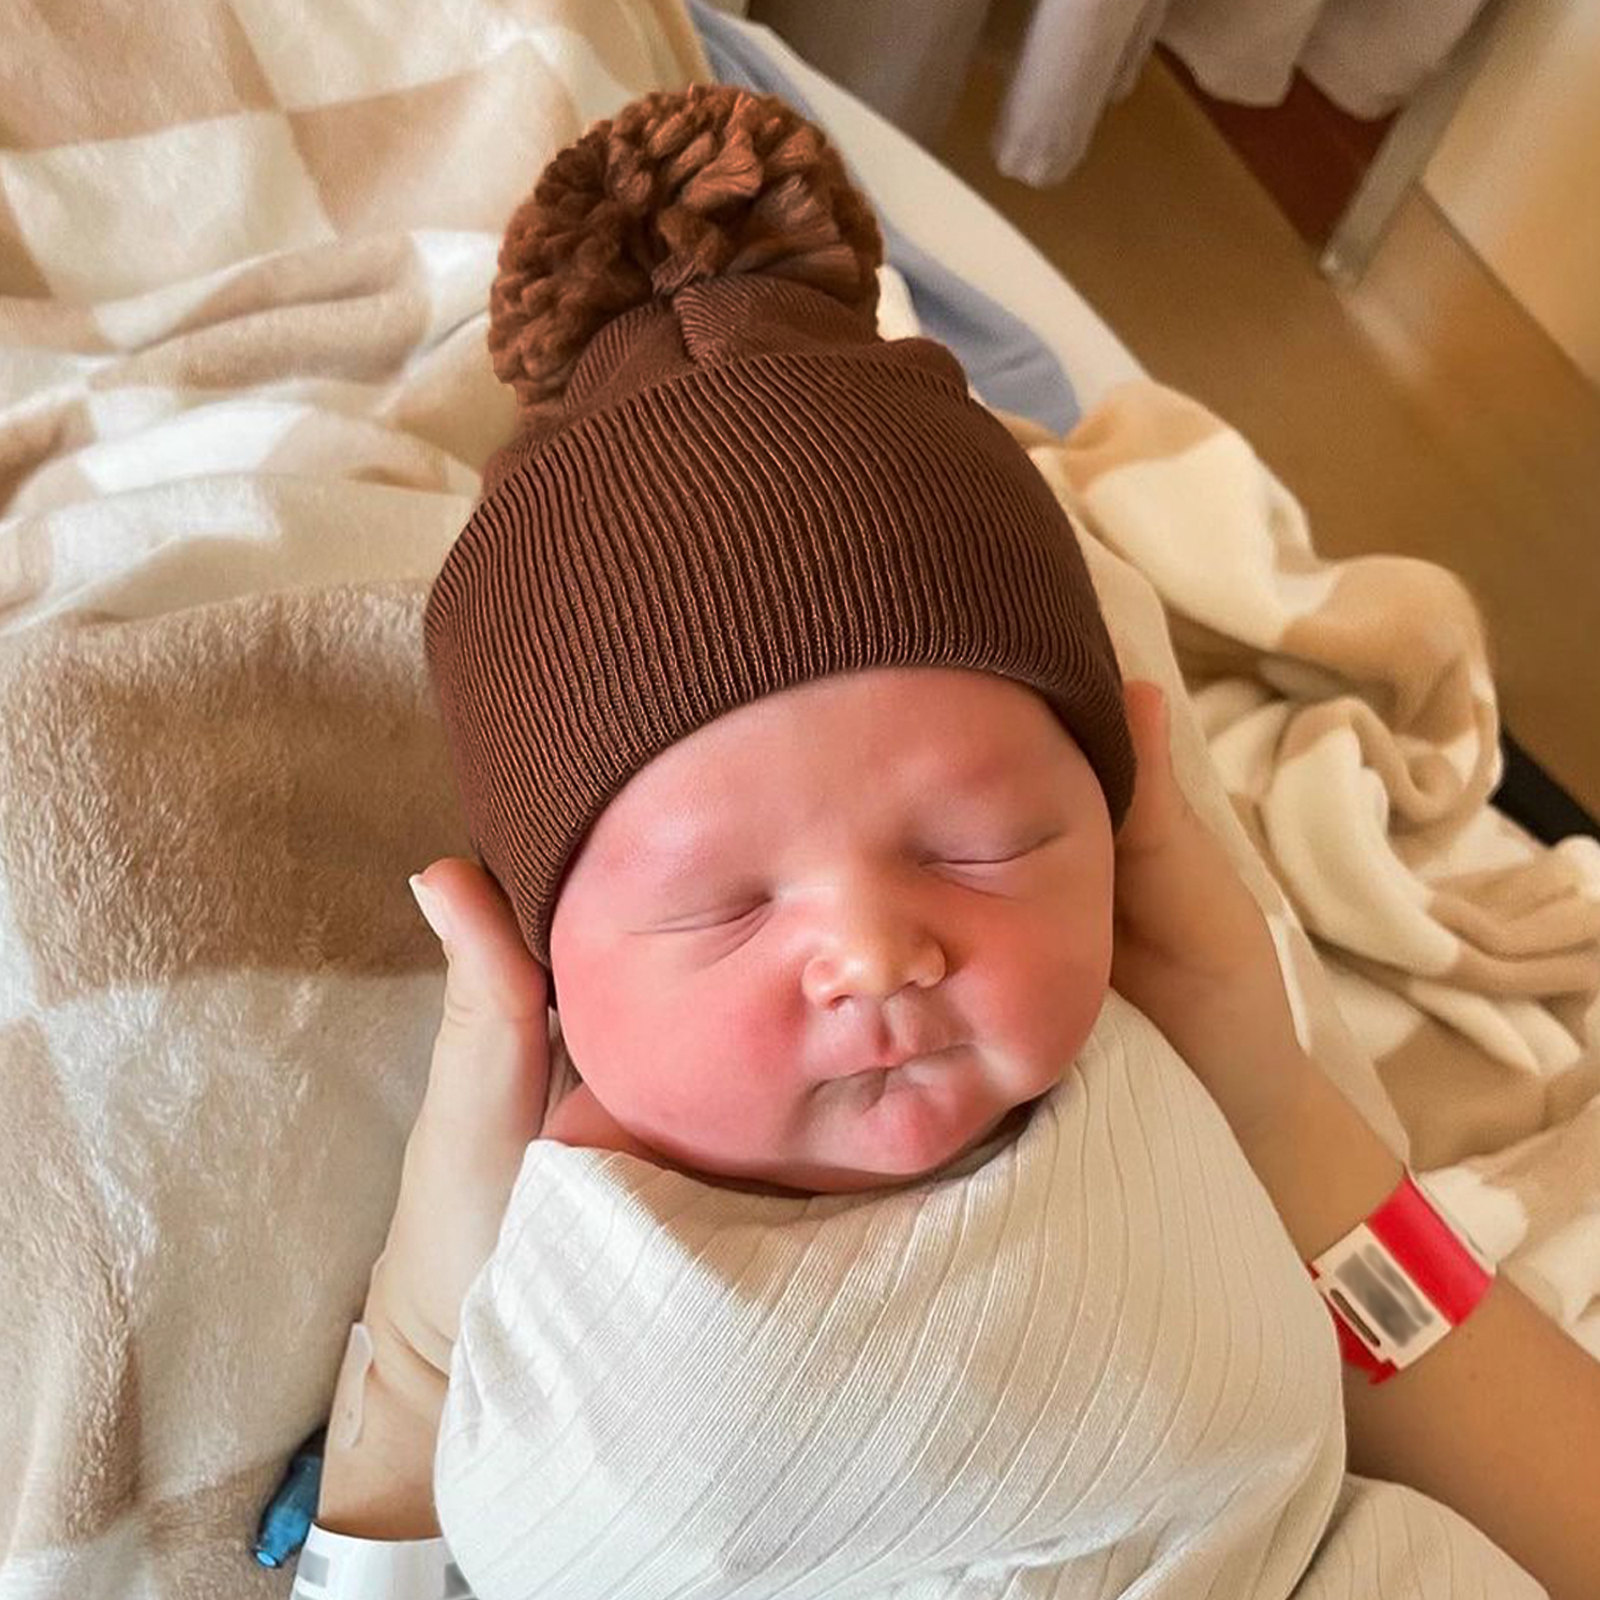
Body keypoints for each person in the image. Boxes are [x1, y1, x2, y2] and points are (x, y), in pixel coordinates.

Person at [311, 84, 1600, 1597]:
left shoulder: (1174, 1079)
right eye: (724, 904)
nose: (873, 950)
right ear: (545, 970)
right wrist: (411, 1353)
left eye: (983, 846)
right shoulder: (533, 1268)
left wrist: (1267, 1090)